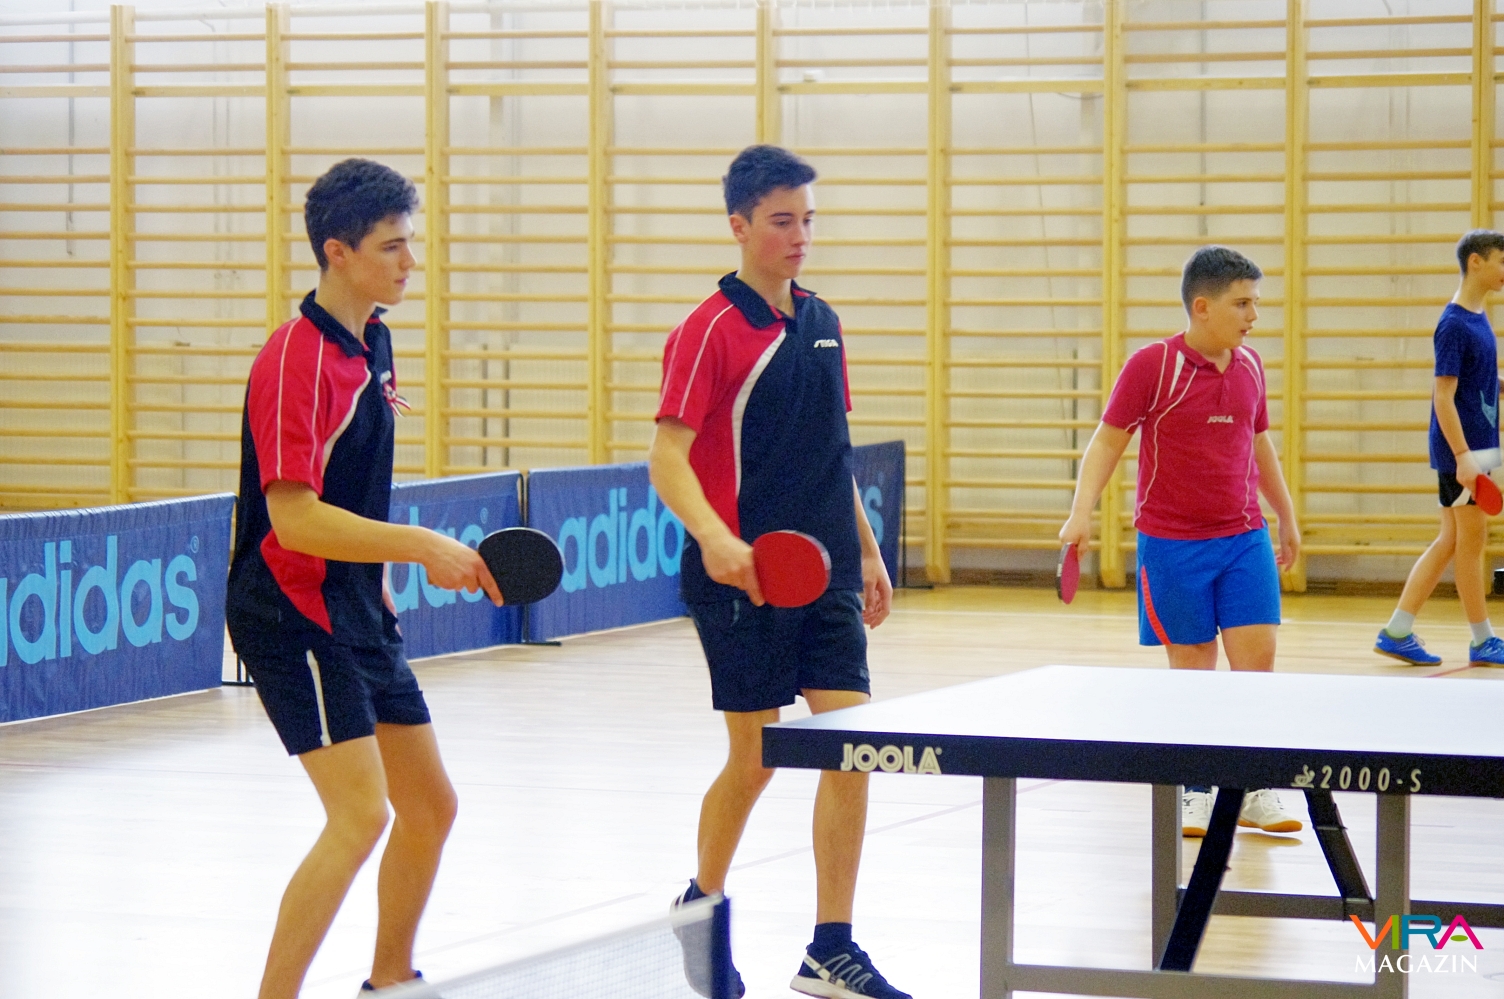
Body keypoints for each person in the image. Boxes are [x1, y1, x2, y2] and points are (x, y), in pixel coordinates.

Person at [225, 158, 502, 999]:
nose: (410, 261)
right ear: (337, 252)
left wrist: (379, 569)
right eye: (391, 247)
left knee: (431, 805)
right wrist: (418, 545)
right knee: (360, 814)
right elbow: (294, 517)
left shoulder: (373, 339)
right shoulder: (294, 359)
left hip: (353, 602)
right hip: (291, 609)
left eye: (409, 242)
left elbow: (349, 484)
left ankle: (390, 978)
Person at [647, 145, 908, 999]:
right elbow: (667, 457)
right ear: (739, 225)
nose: (799, 236)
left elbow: (834, 452)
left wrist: (867, 549)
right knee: (756, 758)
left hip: (826, 571)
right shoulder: (708, 330)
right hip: (740, 577)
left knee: (853, 747)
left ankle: (831, 946)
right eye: (782, 221)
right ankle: (701, 906)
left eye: (808, 220)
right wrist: (714, 539)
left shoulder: (823, 319)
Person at [1058, 245, 1304, 839]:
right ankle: (1195, 787)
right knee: (1193, 669)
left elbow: (1260, 443)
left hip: (1243, 538)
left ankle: (1251, 786)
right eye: (1242, 304)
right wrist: (1080, 513)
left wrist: (1286, 515)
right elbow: (1107, 441)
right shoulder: (1154, 366)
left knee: (1257, 663)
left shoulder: (1250, 366)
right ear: (1202, 307)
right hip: (1171, 545)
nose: (1253, 316)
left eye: (1255, 303)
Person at [1374, 230, 1504, 668]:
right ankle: (1482, 640)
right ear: (1476, 262)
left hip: (1479, 447)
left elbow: (1473, 380)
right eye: (1502, 261)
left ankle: (1397, 630)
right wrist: (1463, 457)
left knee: (1452, 540)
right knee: (1470, 543)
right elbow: (1443, 396)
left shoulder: (1477, 316)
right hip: (1465, 452)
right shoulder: (1453, 324)